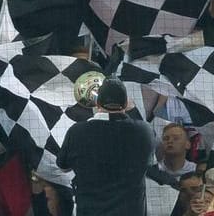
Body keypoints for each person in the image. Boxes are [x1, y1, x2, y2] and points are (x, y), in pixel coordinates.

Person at [57, 78, 157, 216]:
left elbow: (63, 167)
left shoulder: (77, 132)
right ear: (126, 103)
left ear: (97, 103)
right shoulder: (144, 132)